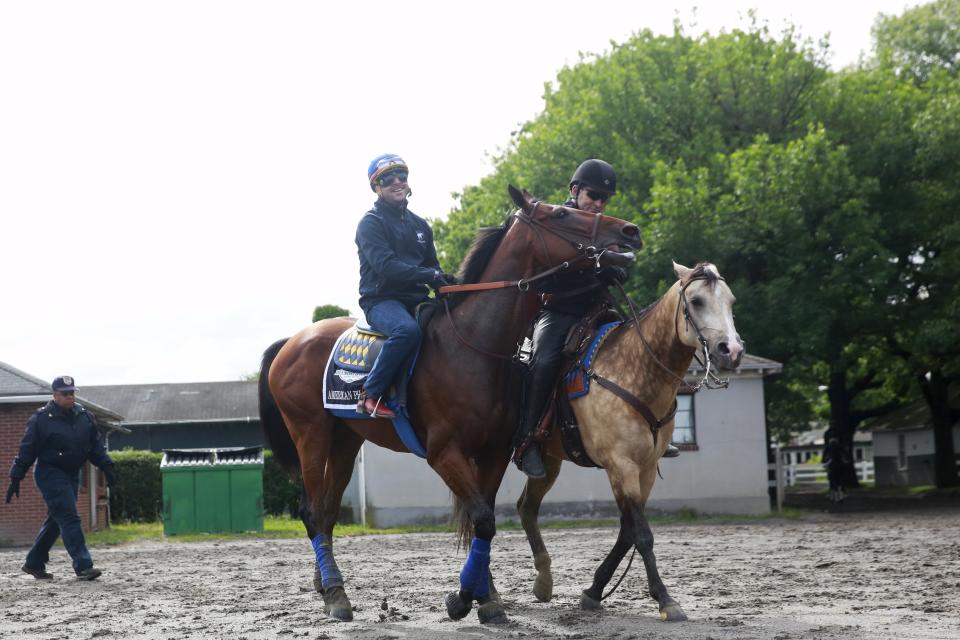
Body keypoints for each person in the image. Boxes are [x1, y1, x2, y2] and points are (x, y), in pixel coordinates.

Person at [516, 159, 680, 479]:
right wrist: (586, 265)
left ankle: (651, 429)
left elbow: (621, 267)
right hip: (559, 310)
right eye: (593, 195)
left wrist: (610, 267)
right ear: (574, 190)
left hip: (599, 309)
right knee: (545, 361)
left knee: (640, 352)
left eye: (605, 198)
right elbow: (538, 275)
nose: (599, 203)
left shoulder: (604, 227)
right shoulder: (555, 222)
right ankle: (527, 441)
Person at [355, 153, 456, 419]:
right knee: (407, 331)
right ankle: (371, 394)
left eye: (402, 176)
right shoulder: (370, 223)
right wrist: (431, 275)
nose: (397, 182)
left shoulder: (421, 225)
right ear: (377, 187)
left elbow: (432, 267)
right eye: (389, 179)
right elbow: (386, 267)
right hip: (381, 300)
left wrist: (448, 283)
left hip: (417, 299)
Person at [5, 376, 115, 580]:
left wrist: (107, 466)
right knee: (69, 516)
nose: (70, 397)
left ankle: (34, 562)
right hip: (50, 473)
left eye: (72, 393)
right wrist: (15, 477)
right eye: (65, 393)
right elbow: (27, 450)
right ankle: (83, 565)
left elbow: (95, 446)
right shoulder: (41, 419)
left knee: (57, 519)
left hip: (73, 473)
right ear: (55, 395)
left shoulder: (84, 416)